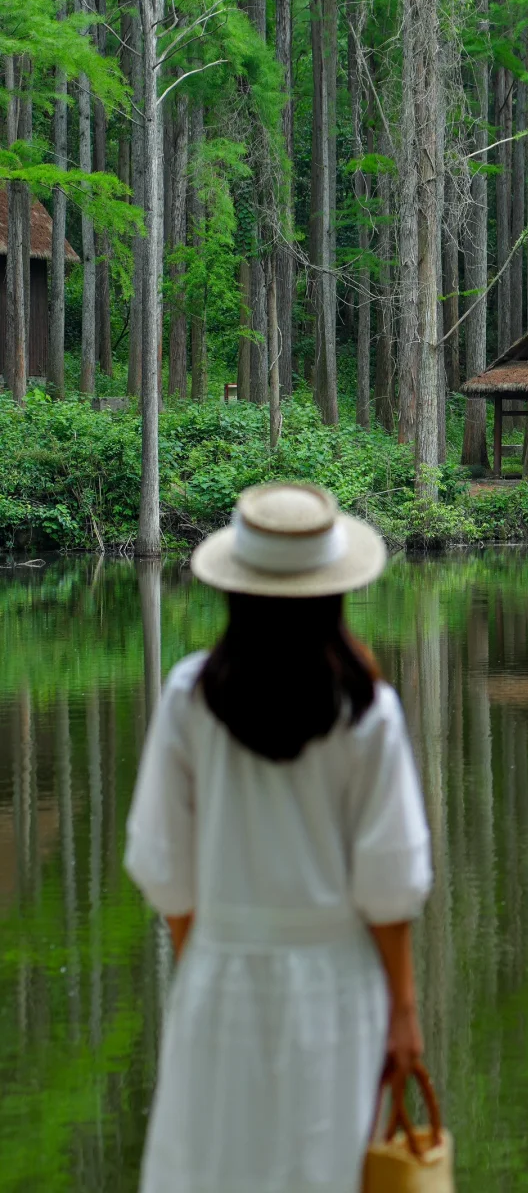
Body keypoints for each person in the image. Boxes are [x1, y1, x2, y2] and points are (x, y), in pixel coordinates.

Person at [125, 483, 432, 1193]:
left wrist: (211, 958)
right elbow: (389, 889)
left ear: (238, 588)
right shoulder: (366, 709)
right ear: (334, 591)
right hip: (338, 985)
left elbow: (163, 868)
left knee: (211, 1168)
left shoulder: (189, 699)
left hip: (219, 972)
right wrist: (404, 1012)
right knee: (322, 1165)